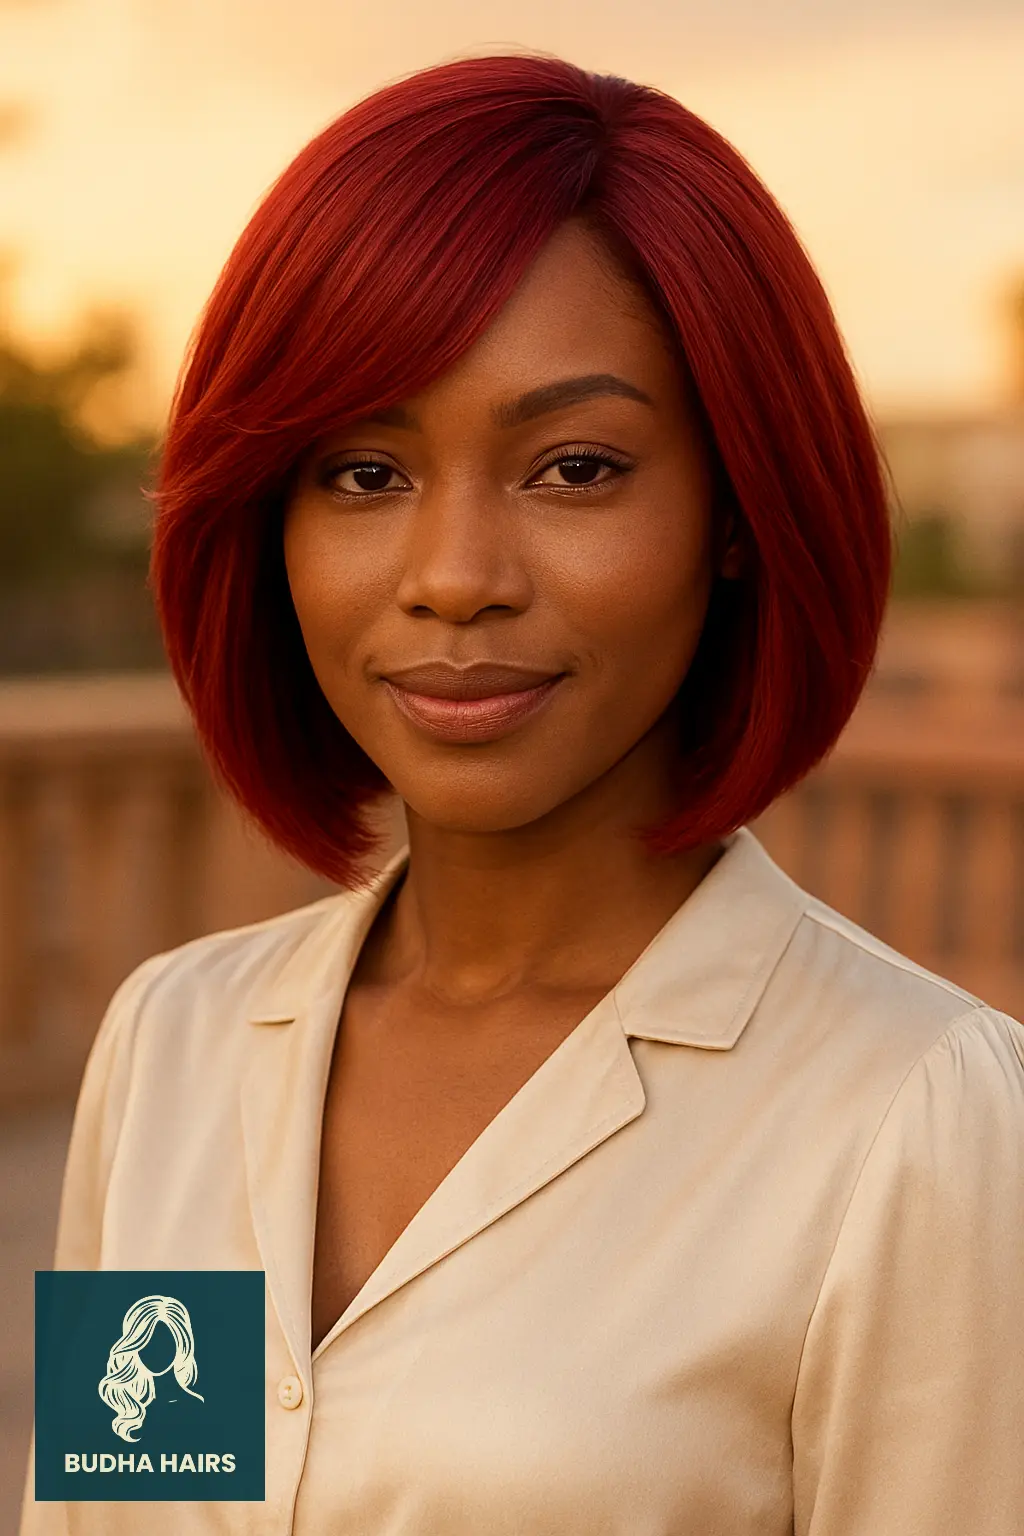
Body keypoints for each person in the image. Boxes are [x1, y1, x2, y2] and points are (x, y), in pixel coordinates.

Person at [21, 52, 1024, 1536]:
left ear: (737, 516)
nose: (455, 578)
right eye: (364, 472)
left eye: (573, 466)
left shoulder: (917, 1119)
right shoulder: (175, 1045)